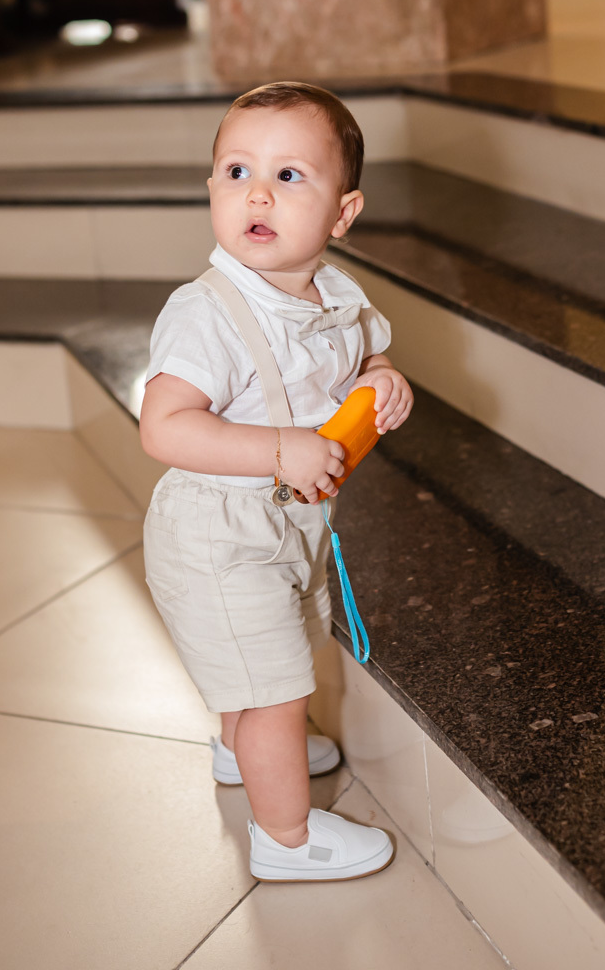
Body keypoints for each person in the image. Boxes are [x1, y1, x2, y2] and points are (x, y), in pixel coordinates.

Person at [139, 81, 413, 882]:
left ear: (342, 214)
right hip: (216, 533)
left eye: (289, 176)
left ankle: (248, 749)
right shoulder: (204, 314)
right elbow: (165, 426)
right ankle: (286, 838)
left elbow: (366, 359)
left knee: (268, 655)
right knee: (273, 690)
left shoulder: (339, 295)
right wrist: (277, 449)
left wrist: (386, 381)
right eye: (235, 171)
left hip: (287, 527)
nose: (256, 192)